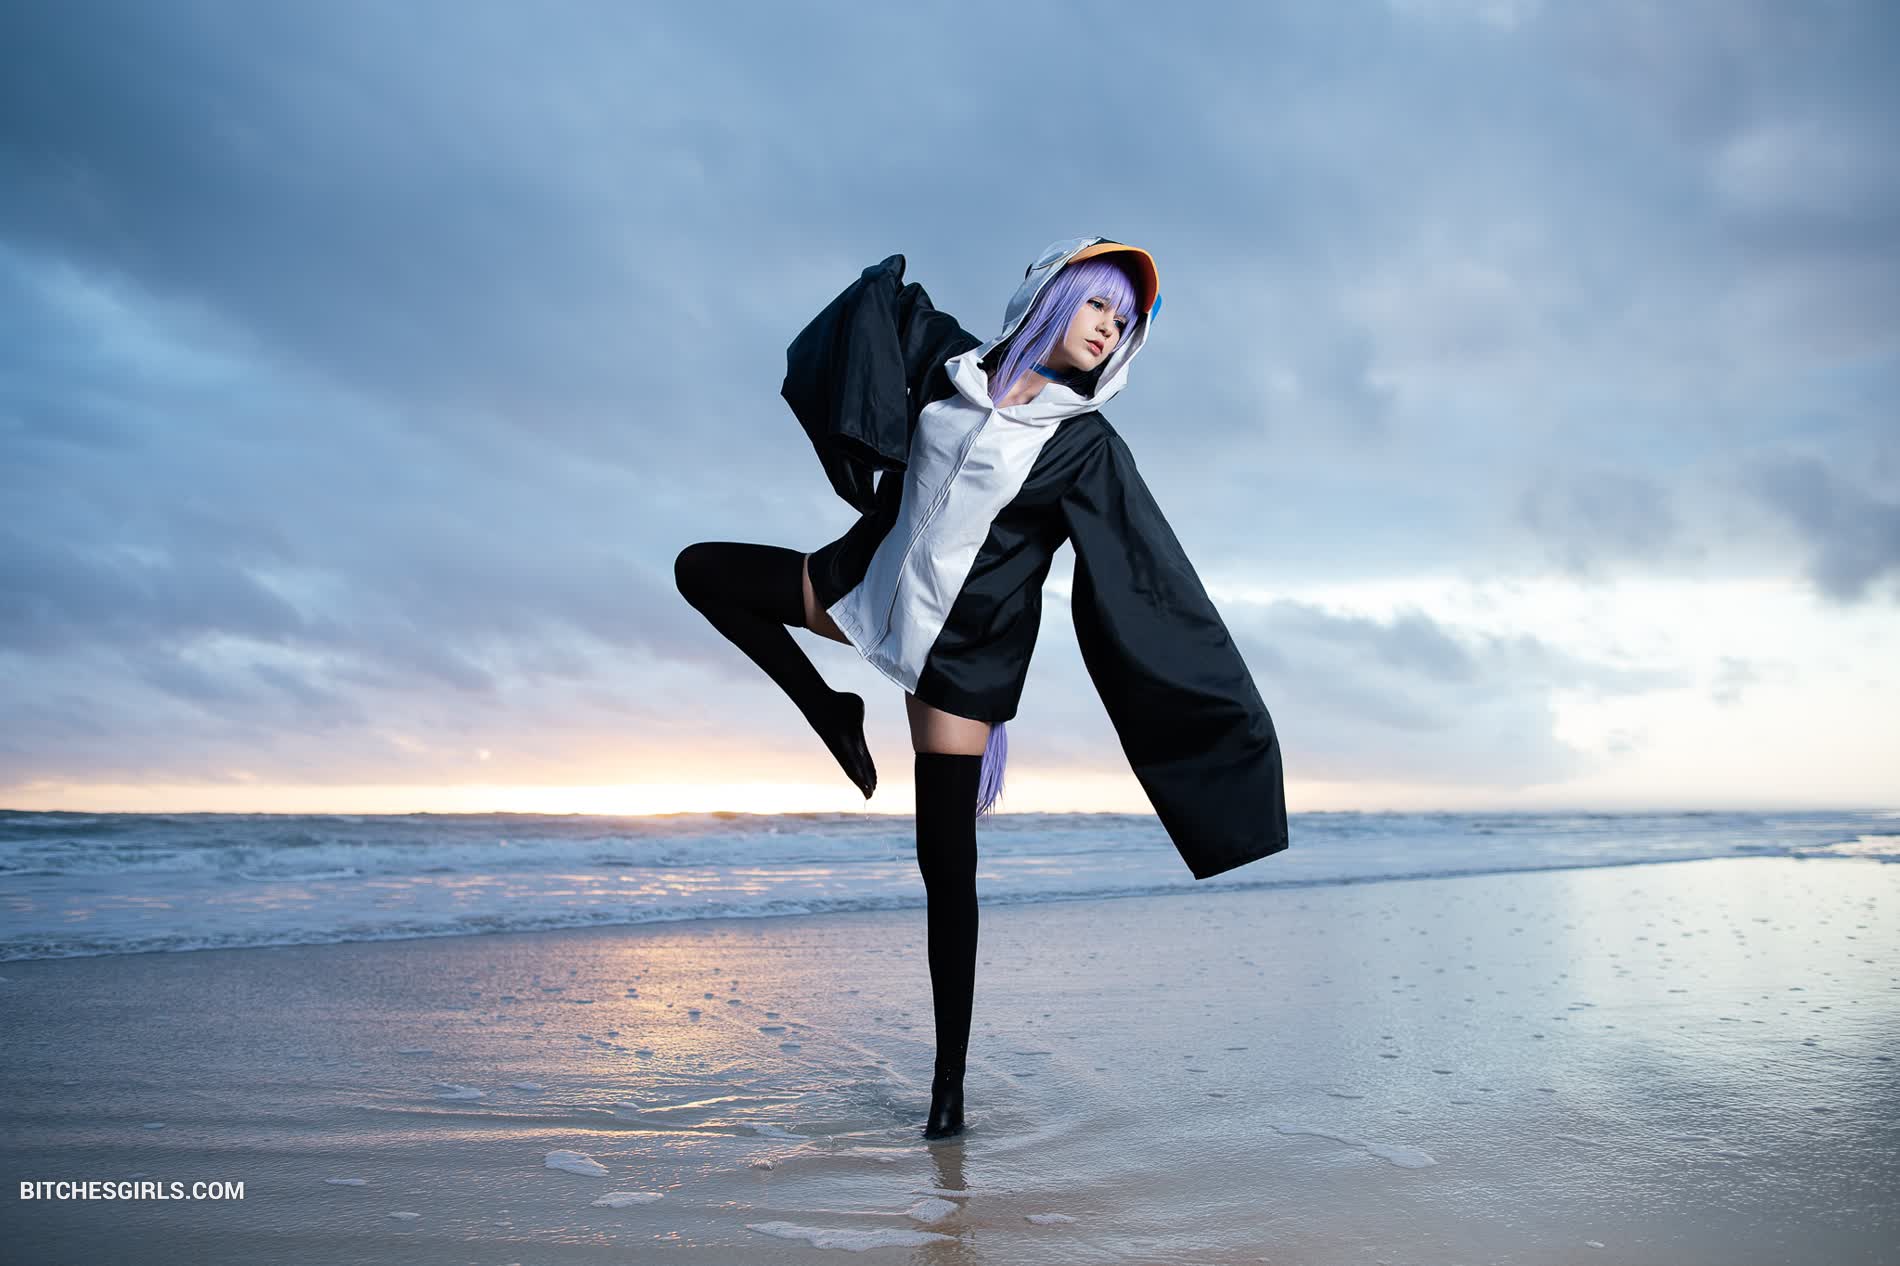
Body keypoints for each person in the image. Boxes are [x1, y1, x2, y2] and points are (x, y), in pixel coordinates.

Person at [676, 237, 1288, 1141]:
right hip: (859, 589)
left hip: (960, 659)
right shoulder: (950, 365)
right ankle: (830, 711)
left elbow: (1152, 579)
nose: (1109, 329)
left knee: (946, 868)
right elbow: (878, 304)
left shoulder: (1086, 446)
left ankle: (948, 1090)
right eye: (1098, 304)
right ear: (1053, 293)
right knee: (700, 570)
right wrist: (860, 442)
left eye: (1124, 323)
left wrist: (1232, 740)